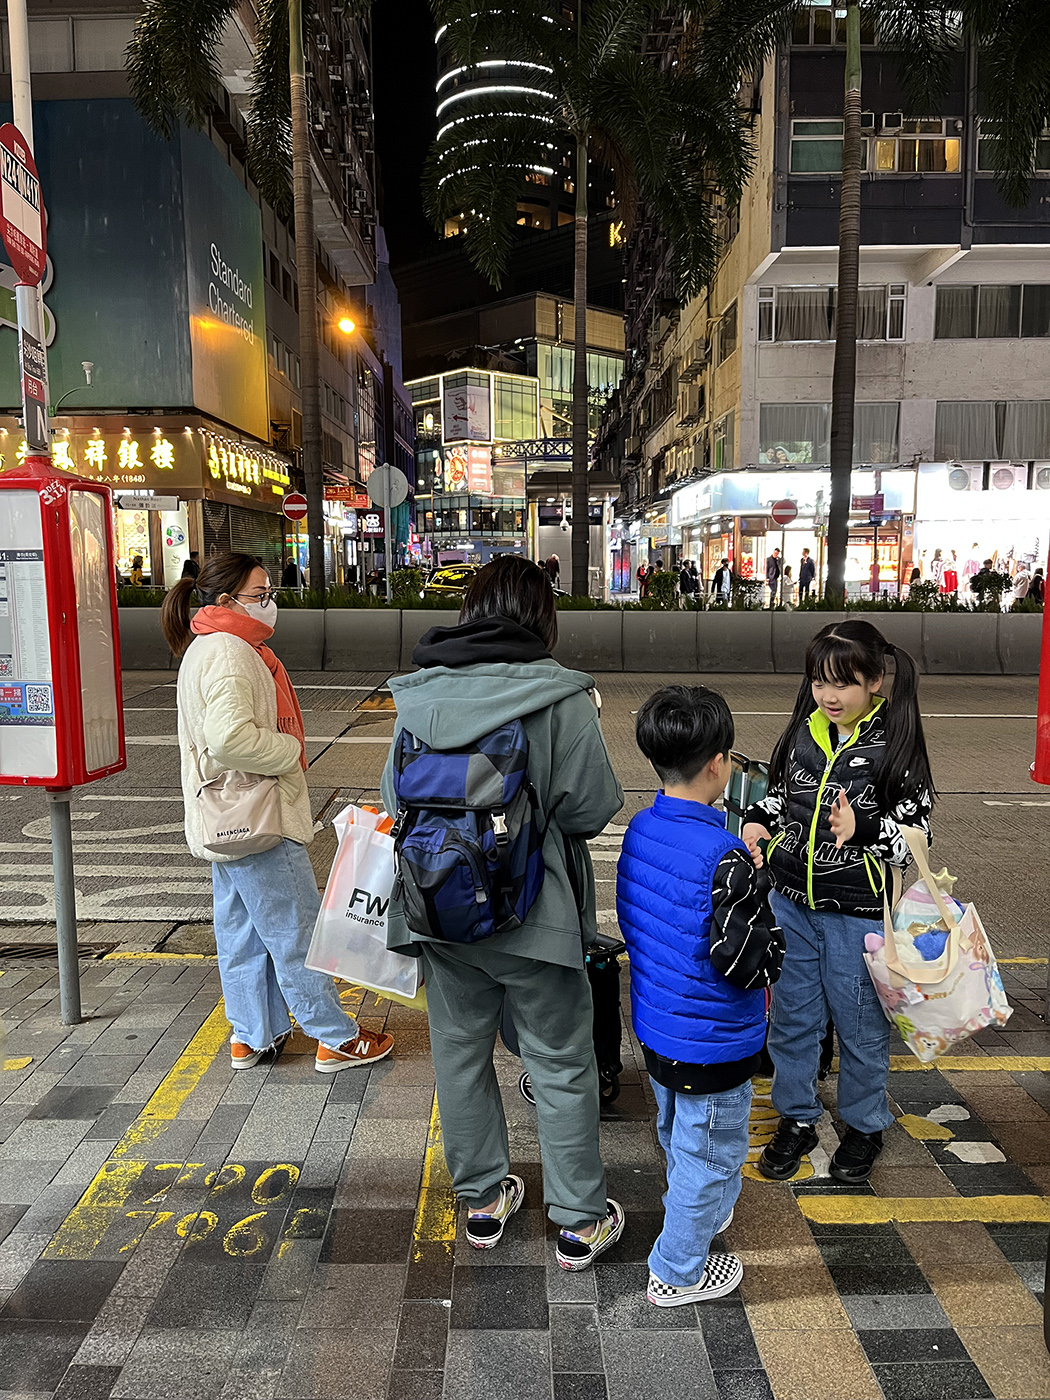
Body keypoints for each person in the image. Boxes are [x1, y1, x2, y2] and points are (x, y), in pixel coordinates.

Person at [381, 556, 626, 1270]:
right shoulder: (560, 697)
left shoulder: (419, 695)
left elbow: (397, 800)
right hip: (533, 915)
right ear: (541, 617)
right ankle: (578, 1221)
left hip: (440, 911)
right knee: (560, 1062)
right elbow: (590, 808)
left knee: (459, 1057)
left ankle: (484, 1203)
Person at [161, 553, 393, 1074]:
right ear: (227, 600)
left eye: (270, 592)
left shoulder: (207, 646)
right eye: (260, 594)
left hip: (224, 816)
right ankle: (335, 1036)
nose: (270, 602)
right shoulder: (232, 653)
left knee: (240, 931)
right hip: (258, 816)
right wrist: (290, 751)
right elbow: (229, 738)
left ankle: (252, 1035)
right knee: (296, 929)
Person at [742, 619, 935, 1185]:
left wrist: (865, 828)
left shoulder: (896, 743)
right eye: (819, 681)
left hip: (857, 915)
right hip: (791, 904)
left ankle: (865, 1125)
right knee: (792, 1022)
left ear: (875, 681)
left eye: (843, 683)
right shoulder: (804, 732)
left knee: (860, 1027)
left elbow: (917, 839)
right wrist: (756, 821)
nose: (828, 695)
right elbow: (781, 798)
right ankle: (797, 1117)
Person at [618, 686, 784, 1307]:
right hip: (713, 1038)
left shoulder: (642, 827)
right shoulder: (725, 856)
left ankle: (700, 1211)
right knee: (710, 1153)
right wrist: (758, 889)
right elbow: (746, 963)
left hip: (659, 1021)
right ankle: (677, 1270)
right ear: (718, 764)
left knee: (679, 1133)